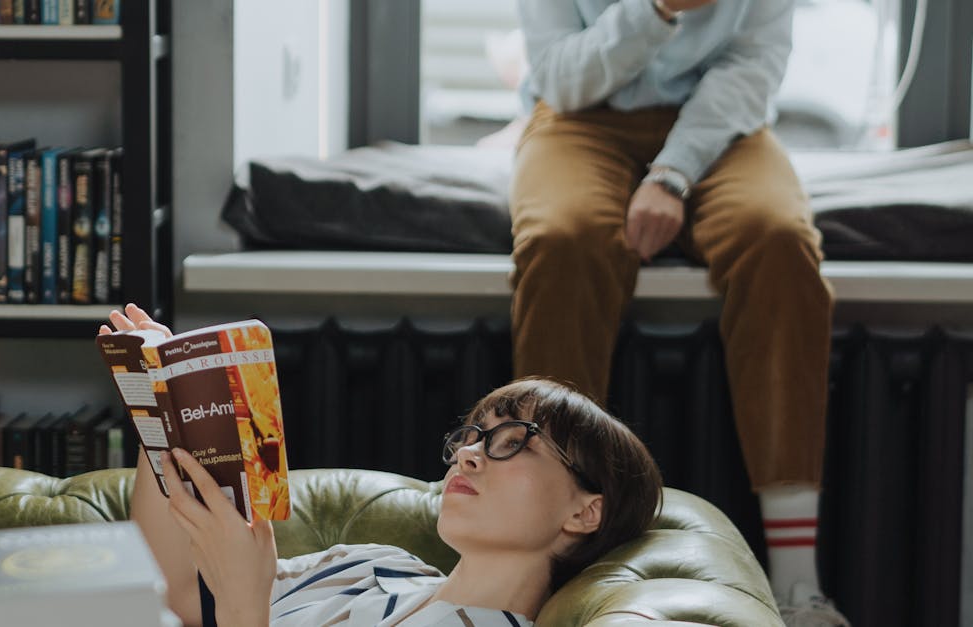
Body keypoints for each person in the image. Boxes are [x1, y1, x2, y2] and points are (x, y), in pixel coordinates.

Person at [509, 1, 844, 625]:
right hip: (579, 117)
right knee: (562, 241)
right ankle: (546, 563)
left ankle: (799, 583)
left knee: (779, 243)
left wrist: (673, 170)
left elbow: (753, 66)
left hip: (725, 125)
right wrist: (657, 10)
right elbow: (562, 79)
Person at [100, 304, 663, 627]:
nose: (469, 453)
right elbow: (176, 598)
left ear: (585, 512)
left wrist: (246, 605)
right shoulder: (374, 565)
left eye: (513, 441)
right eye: (474, 433)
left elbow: (234, 610)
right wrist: (164, 405)